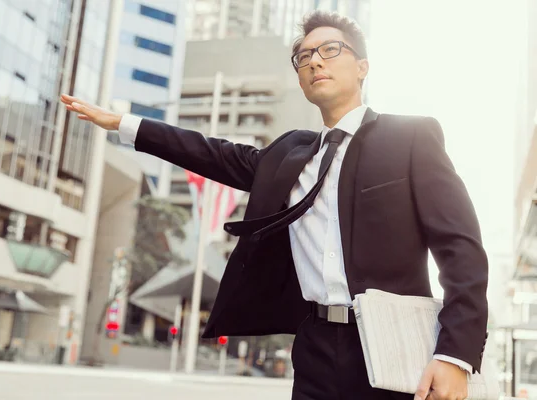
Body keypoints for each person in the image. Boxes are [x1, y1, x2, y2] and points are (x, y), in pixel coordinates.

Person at [61, 10, 488, 400]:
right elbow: (211, 152)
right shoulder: (289, 155)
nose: (315, 61)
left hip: (394, 347)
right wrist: (124, 123)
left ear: (362, 67)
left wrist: (454, 354)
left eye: (329, 50)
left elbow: (461, 250)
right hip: (315, 348)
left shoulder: (410, 138)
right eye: (303, 57)